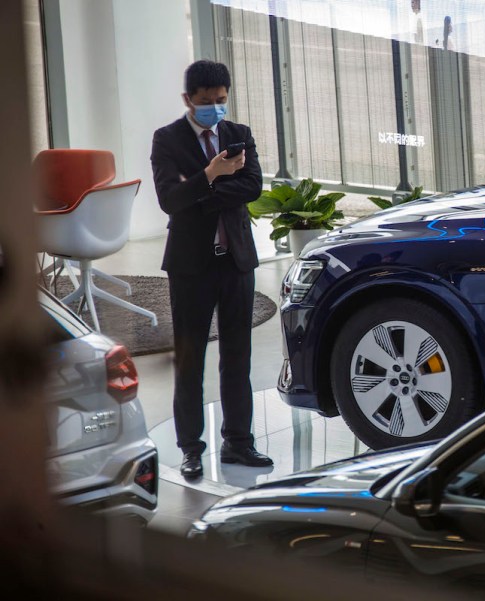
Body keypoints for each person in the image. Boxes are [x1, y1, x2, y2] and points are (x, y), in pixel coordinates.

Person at [150, 60, 272, 478]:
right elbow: (170, 199)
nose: (215, 109)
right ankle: (191, 449)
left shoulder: (239, 135)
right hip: (191, 267)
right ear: (188, 99)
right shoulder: (167, 139)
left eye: (221, 101)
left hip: (236, 262)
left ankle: (239, 443)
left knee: (237, 358)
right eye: (206, 103)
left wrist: (201, 191)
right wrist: (213, 174)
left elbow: (252, 186)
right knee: (190, 361)